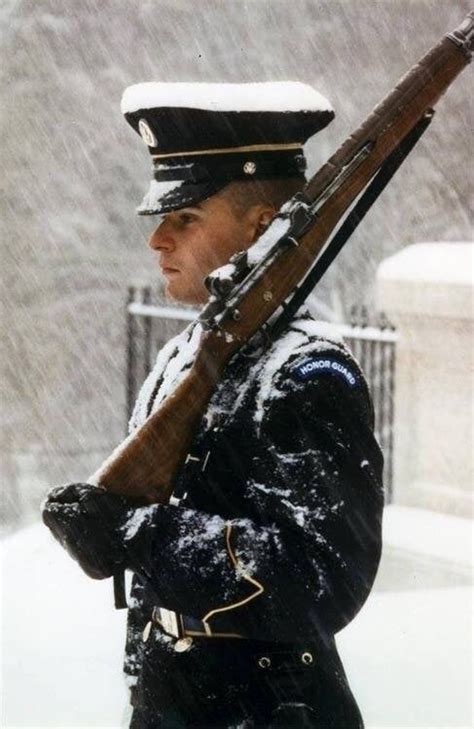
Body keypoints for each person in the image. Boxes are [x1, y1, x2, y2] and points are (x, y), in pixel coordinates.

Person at [42, 82, 384, 728]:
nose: (158, 241)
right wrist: (101, 525)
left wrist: (139, 534)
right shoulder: (184, 356)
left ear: (261, 227)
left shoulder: (306, 373)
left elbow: (324, 574)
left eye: (186, 218)